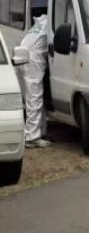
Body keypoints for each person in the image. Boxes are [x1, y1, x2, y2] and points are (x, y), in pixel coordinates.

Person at [16, 15, 51, 148]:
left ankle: (41, 131)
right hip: (33, 58)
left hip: (21, 54)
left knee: (32, 97)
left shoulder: (40, 23)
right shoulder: (52, 21)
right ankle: (32, 136)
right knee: (34, 98)